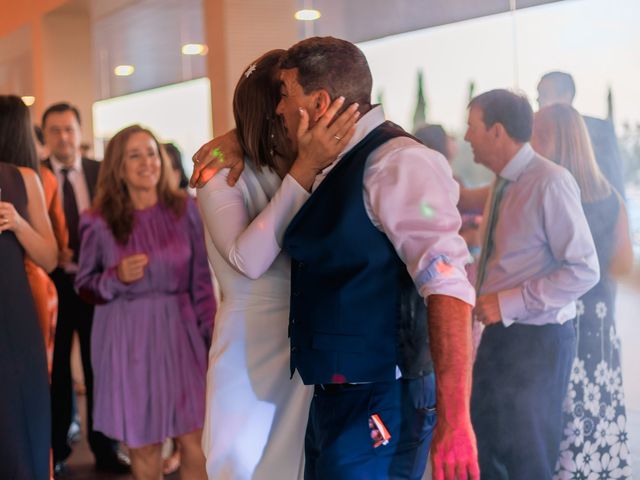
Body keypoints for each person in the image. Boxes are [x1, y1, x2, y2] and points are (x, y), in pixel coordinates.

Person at [193, 36, 479, 480]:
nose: (279, 110)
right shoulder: (326, 164)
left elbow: (447, 286)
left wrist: (456, 419)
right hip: (330, 397)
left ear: (319, 101)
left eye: (284, 97)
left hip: (382, 395)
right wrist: (238, 136)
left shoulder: (395, 163)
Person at [196, 49, 358, 480]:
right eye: (287, 95)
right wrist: (300, 167)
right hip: (249, 347)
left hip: (306, 345)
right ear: (273, 109)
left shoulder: (316, 169)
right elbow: (247, 260)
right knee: (245, 464)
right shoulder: (221, 173)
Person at [465, 89, 600, 479]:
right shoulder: (502, 184)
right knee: (485, 446)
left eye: (473, 128)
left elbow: (584, 270)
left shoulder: (550, 182)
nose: (467, 137)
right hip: (499, 336)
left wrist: (508, 302)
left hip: (538, 342)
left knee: (529, 460)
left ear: (497, 131)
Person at [75, 124, 216, 480]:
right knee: (144, 442)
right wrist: (116, 276)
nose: (146, 162)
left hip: (181, 335)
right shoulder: (97, 221)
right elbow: (85, 286)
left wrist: (212, 341)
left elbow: (201, 282)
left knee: (195, 438)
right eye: (133, 155)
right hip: (127, 339)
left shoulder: (187, 211)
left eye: (151, 152)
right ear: (118, 167)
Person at [531, 104, 633, 479]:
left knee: (552, 439)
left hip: (555, 331)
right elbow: (622, 266)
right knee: (594, 440)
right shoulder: (612, 200)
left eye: (538, 134)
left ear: (553, 140)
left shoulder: (547, 193)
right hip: (600, 337)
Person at [41, 102, 128, 474]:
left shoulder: (100, 173)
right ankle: (58, 448)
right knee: (57, 369)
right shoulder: (35, 176)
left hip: (97, 284)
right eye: (55, 130)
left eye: (69, 129)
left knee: (100, 368)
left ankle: (104, 447)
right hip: (54, 285)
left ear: (80, 132)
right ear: (44, 137)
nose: (63, 136)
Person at [0, 95, 57, 479]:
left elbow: (51, 258)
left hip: (12, 316)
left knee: (19, 423)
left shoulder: (22, 178)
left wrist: (18, 223)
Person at [537, 71, 625, 197]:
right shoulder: (536, 133)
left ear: (566, 96)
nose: (538, 99)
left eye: (544, 94)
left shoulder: (600, 131)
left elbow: (615, 182)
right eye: (539, 94)